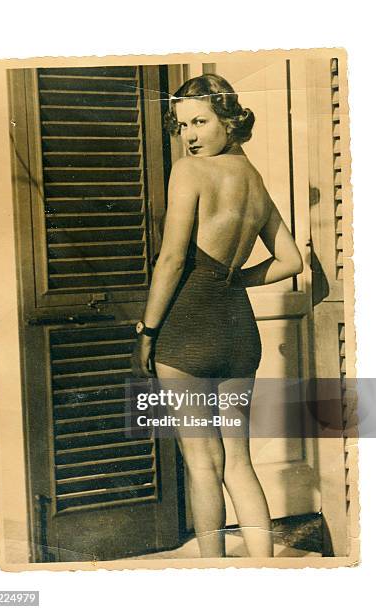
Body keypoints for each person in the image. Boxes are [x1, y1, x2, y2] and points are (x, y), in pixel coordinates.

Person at [131, 74, 303, 558]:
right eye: (183, 124)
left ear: (228, 119)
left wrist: (147, 331)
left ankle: (213, 579)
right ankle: (263, 572)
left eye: (201, 121)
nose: (190, 135)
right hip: (237, 331)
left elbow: (169, 261)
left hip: (187, 330)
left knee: (202, 463)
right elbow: (291, 261)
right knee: (239, 462)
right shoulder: (253, 180)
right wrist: (233, 282)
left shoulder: (189, 172)